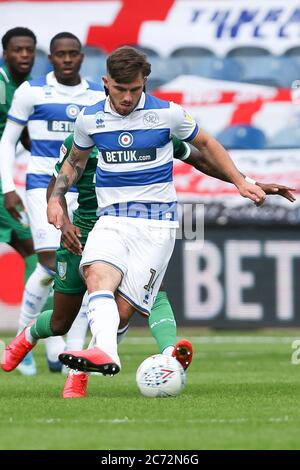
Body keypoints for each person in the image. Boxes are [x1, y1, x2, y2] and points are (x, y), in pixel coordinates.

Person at [1, 47, 291, 383]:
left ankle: (94, 361)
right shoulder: (88, 122)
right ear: (106, 83)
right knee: (83, 294)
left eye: (134, 90)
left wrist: (244, 181)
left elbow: (204, 151)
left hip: (156, 225)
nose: (126, 98)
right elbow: (70, 167)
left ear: (145, 83)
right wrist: (56, 202)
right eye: (119, 89)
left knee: (124, 310)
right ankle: (79, 348)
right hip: (102, 222)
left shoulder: (166, 116)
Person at [0, 32, 105, 373]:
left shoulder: (94, 94)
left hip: (83, 190)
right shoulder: (32, 92)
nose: (67, 59)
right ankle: (29, 340)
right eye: (61, 54)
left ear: (81, 57)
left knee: (78, 267)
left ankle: (65, 350)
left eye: (73, 54)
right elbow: (7, 141)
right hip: (40, 188)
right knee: (47, 262)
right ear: (52, 57)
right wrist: (8, 187)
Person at [0, 27, 39, 375]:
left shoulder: (23, 90)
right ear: (5, 52)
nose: (24, 55)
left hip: (5, 183)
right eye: (17, 50)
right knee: (35, 251)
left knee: (35, 252)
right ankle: (22, 343)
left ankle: (23, 340)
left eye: (29, 50)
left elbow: (24, 137)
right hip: (3, 186)